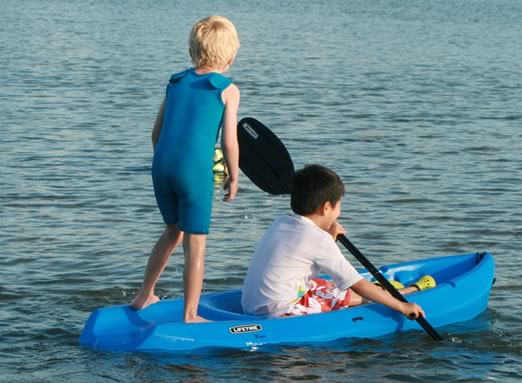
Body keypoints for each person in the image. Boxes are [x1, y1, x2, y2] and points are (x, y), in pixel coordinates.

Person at [131, 16, 241, 323]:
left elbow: (156, 133)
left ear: (193, 49)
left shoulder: (176, 81)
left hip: (162, 166)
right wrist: (234, 176)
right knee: (196, 243)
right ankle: (191, 314)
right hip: (194, 172)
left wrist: (168, 163)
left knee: (171, 233)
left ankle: (143, 296)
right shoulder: (228, 89)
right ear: (230, 56)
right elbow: (229, 142)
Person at [241, 165, 435, 318]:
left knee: (321, 285)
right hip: (281, 312)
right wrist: (401, 307)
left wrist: (329, 237)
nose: (339, 210)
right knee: (336, 292)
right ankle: (404, 294)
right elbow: (356, 283)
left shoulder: (282, 221)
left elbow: (303, 250)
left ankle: (384, 291)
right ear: (326, 208)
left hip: (251, 305)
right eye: (339, 205)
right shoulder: (318, 239)